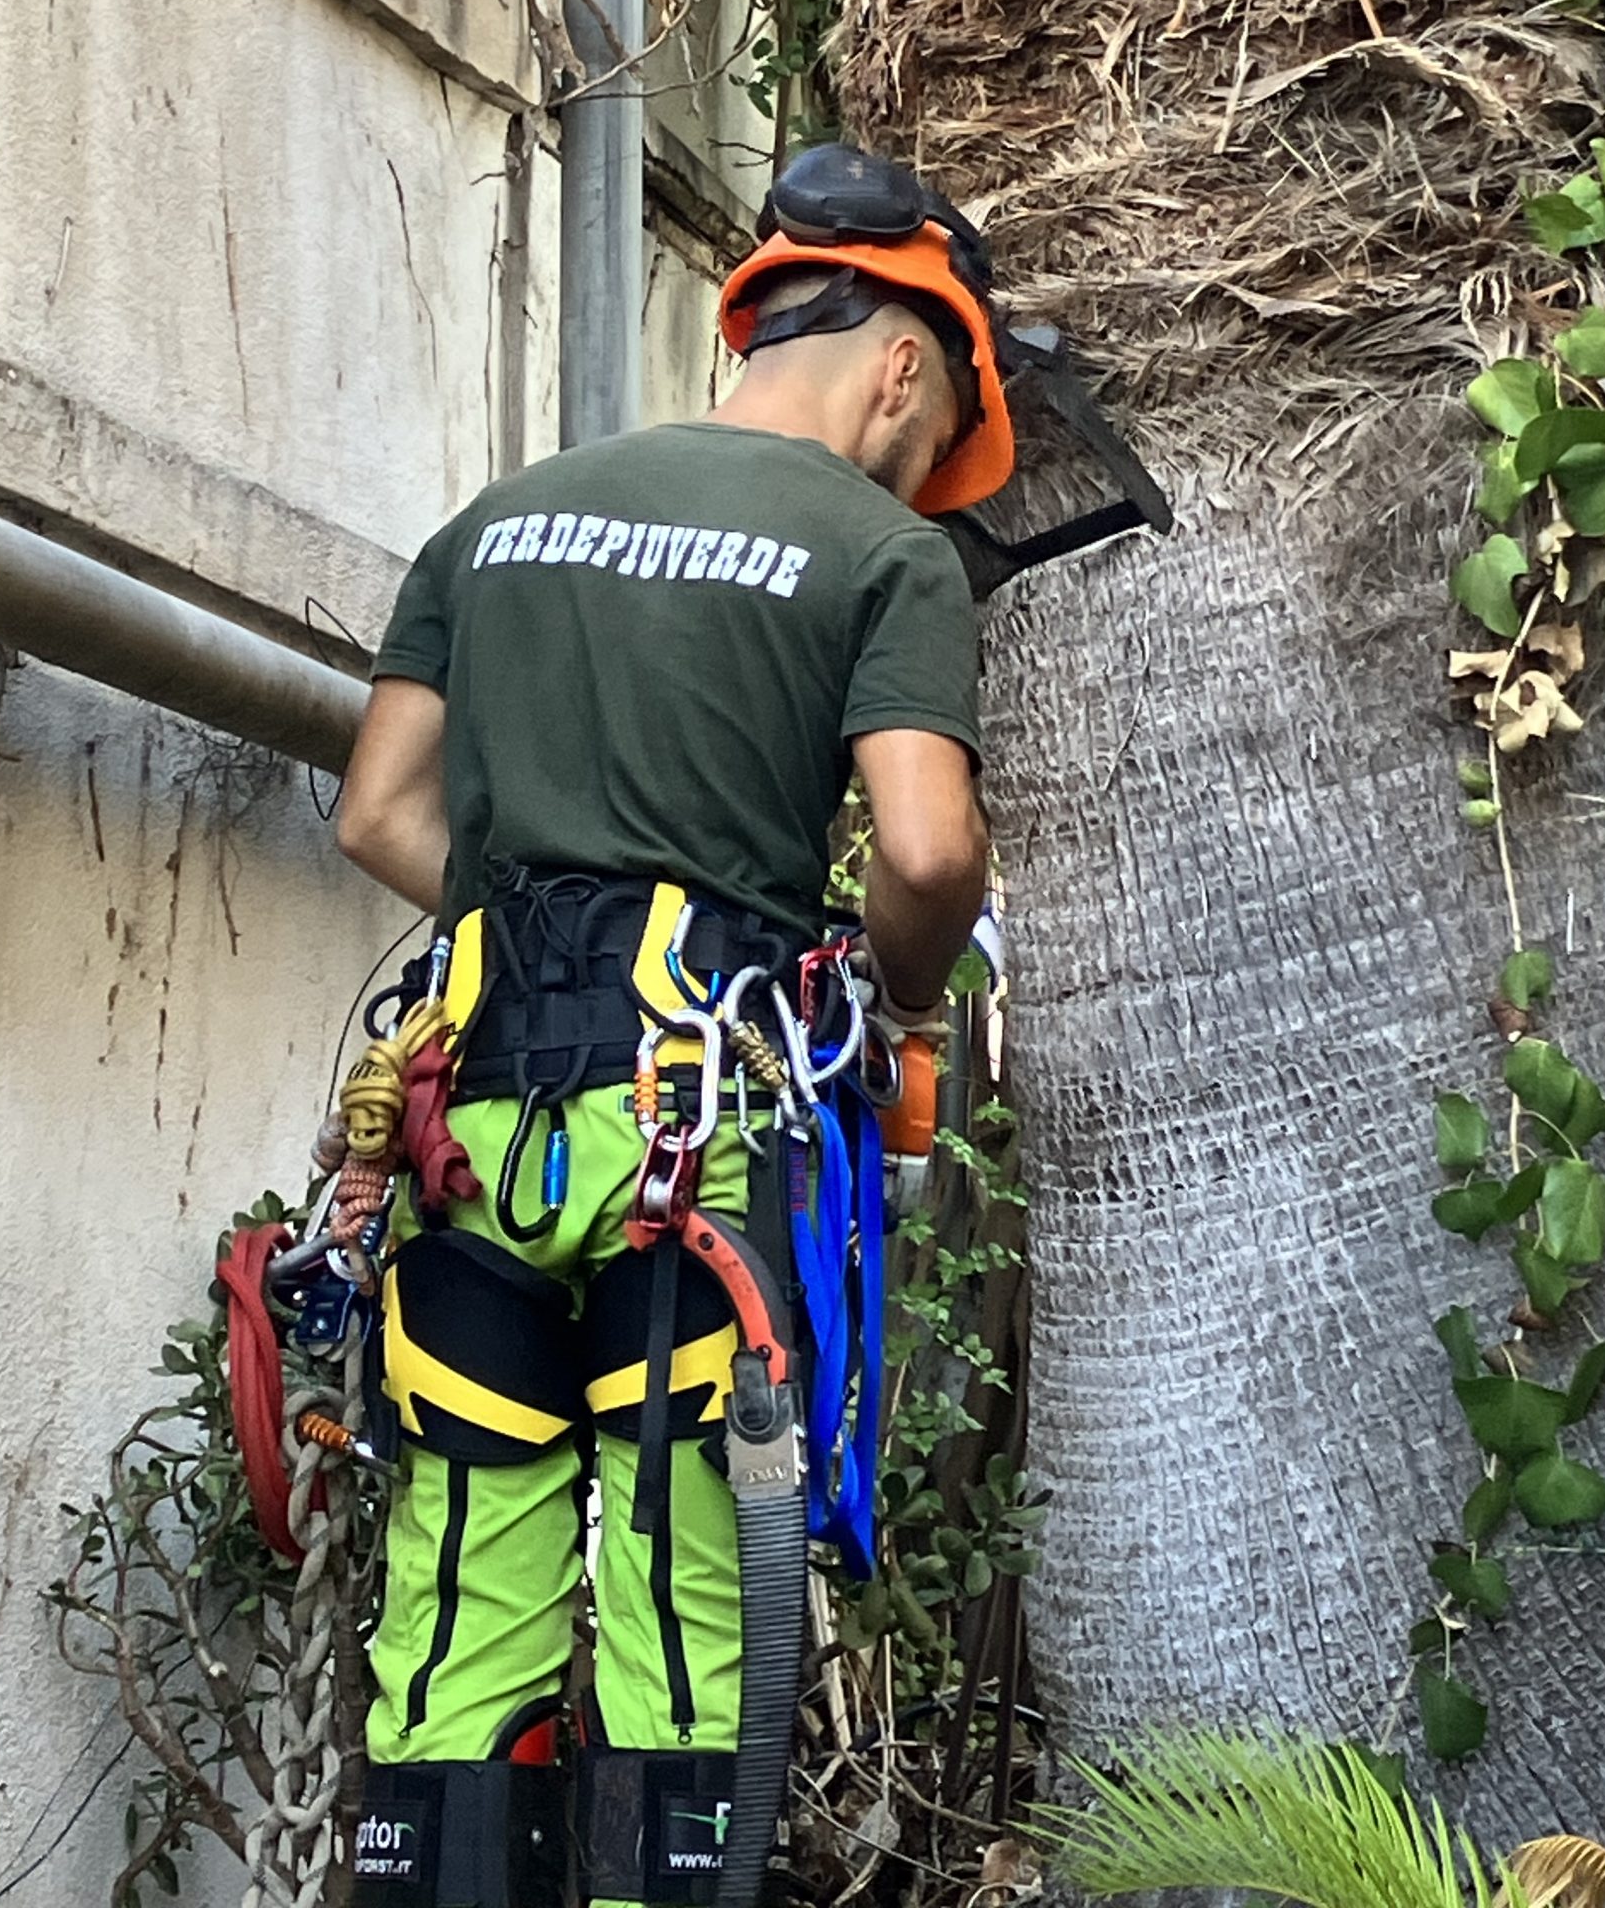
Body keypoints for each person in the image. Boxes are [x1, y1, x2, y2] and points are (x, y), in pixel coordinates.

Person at [334, 144, 1014, 1908]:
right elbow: (928, 852)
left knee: (458, 1604)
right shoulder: (879, 555)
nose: (926, 478)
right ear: (902, 365)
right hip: (694, 1152)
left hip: (470, 1136)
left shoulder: (499, 521)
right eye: (938, 443)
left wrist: (542, 944)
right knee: (677, 1612)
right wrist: (901, 996)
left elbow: (380, 814)